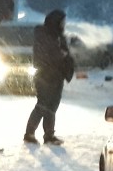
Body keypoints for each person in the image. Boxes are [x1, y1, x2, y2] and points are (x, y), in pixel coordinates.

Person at [23, 8, 75, 145]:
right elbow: (45, 56)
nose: (64, 24)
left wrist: (67, 63)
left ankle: (49, 135)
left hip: (57, 76)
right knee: (42, 105)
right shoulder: (43, 35)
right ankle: (29, 133)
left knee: (52, 107)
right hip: (45, 76)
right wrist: (60, 55)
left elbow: (66, 54)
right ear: (55, 22)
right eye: (62, 22)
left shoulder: (59, 36)